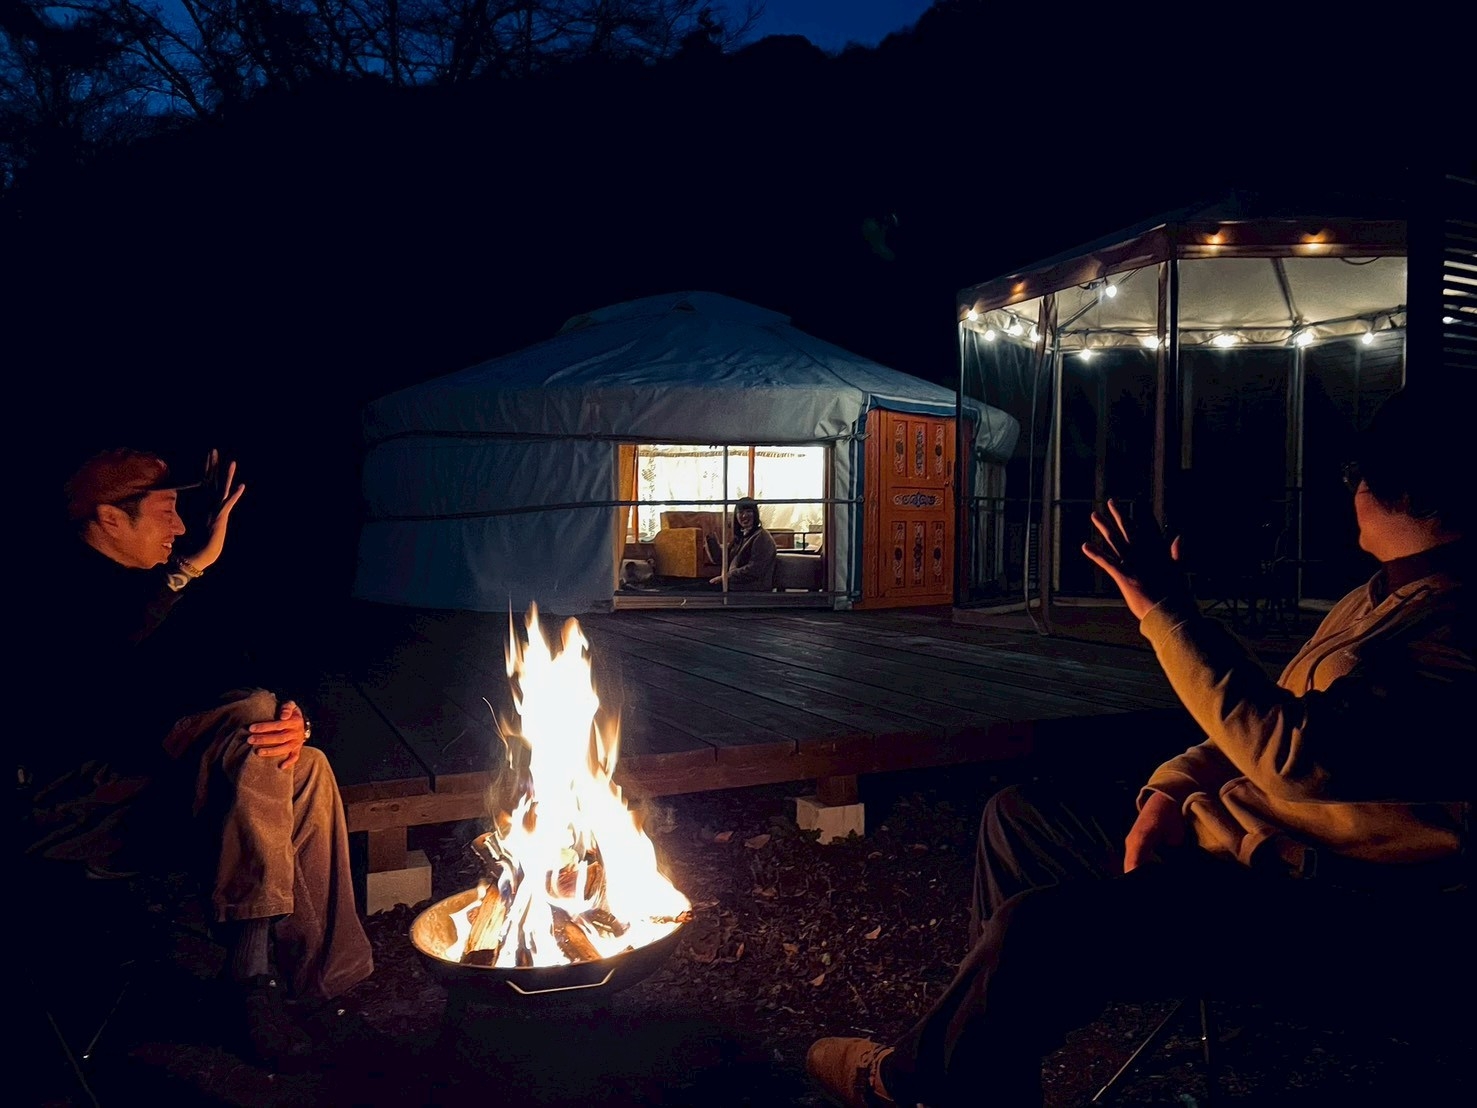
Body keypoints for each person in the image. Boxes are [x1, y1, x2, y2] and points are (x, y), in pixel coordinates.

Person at [805, 386, 1473, 1107]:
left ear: (1404, 492)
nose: (1351, 495)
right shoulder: (1377, 596)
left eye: (1358, 479)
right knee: (1020, 817)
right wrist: (1167, 791)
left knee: (1039, 930)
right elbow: (1259, 721)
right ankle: (984, 1081)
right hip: (1231, 841)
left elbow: (1299, 759)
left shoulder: (1455, 633)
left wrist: (1167, 612)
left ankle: (918, 1084)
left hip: (1328, 902)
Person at [27, 447, 374, 1072]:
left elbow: (231, 678)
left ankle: (304, 984)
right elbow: (97, 669)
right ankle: (257, 975)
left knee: (298, 757)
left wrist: (292, 720)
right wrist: (184, 574)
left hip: (172, 790)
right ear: (110, 518)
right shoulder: (50, 587)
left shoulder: (162, 590)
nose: (183, 528)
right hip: (72, 806)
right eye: (165, 512)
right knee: (253, 728)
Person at [708, 495, 778, 591]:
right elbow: (722, 559)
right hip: (735, 586)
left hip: (752, 589)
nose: (744, 515)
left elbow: (754, 570)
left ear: (755, 514)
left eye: (749, 511)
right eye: (740, 512)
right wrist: (710, 536)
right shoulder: (741, 537)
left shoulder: (762, 537)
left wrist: (726, 577)